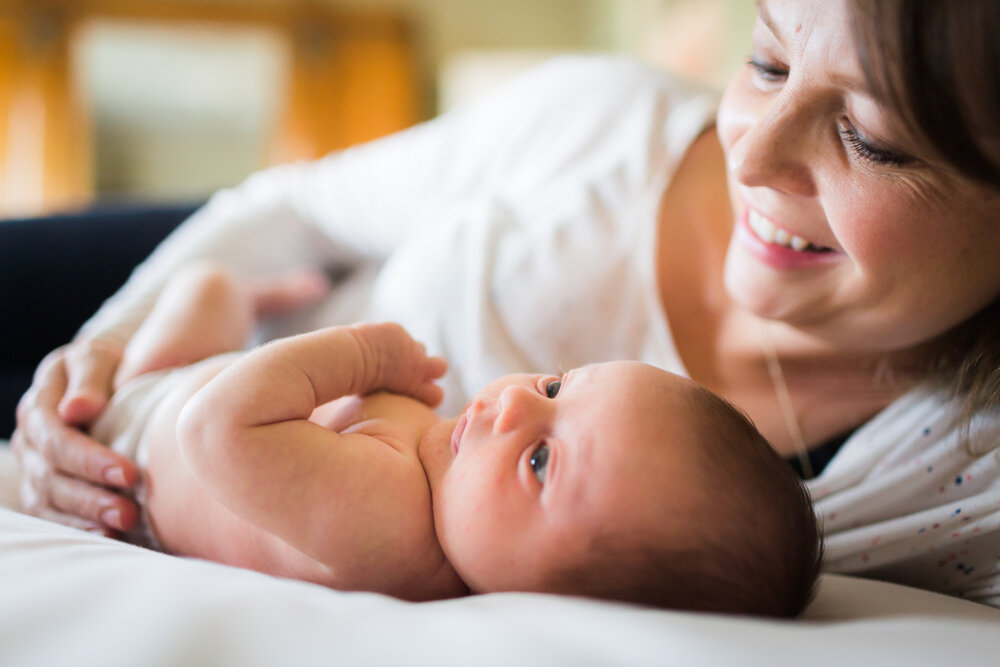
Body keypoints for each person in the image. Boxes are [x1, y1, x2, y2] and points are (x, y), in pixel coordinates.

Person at [12, 0, 1000, 606]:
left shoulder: (957, 475)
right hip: (261, 267)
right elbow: (293, 203)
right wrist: (107, 349)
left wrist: (354, 361)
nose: (746, 151)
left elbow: (230, 432)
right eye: (768, 62)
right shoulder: (602, 125)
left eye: (869, 138)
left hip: (212, 400)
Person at [91, 263, 821, 616]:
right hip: (204, 380)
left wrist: (363, 356)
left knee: (208, 288)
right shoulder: (446, 485)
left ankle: (242, 298)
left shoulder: (387, 514)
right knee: (213, 288)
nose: (510, 406)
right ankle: (248, 298)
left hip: (137, 417)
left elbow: (211, 427)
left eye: (540, 461)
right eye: (556, 387)